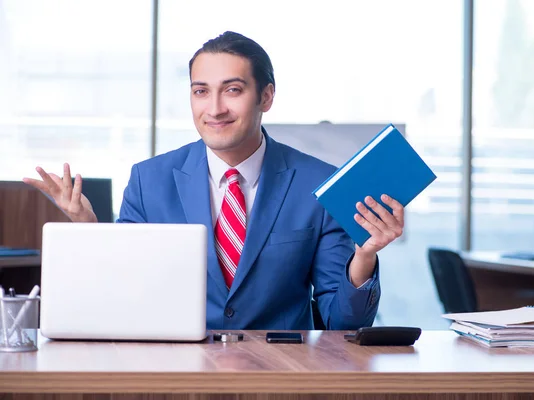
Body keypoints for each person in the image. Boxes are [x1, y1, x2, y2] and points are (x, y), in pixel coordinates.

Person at [23, 31, 405, 330]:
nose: (215, 108)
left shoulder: (318, 183)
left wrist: (365, 255)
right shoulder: (149, 180)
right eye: (201, 92)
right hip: (175, 369)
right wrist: (90, 230)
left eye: (233, 90)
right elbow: (122, 298)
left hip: (281, 372)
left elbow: (343, 323)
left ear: (266, 97)